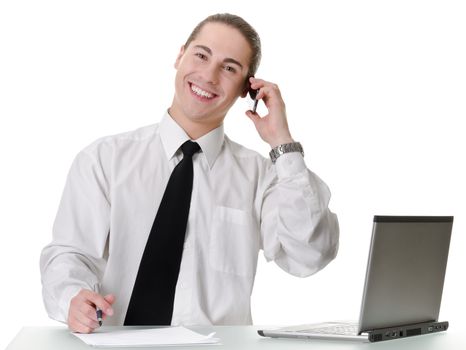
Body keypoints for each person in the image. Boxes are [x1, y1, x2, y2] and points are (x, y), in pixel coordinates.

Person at [40, 13, 339, 334]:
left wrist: (283, 142)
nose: (209, 76)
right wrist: (72, 298)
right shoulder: (104, 159)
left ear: (246, 89)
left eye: (229, 68)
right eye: (201, 55)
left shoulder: (262, 176)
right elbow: (71, 252)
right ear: (180, 56)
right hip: (116, 343)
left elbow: (309, 254)